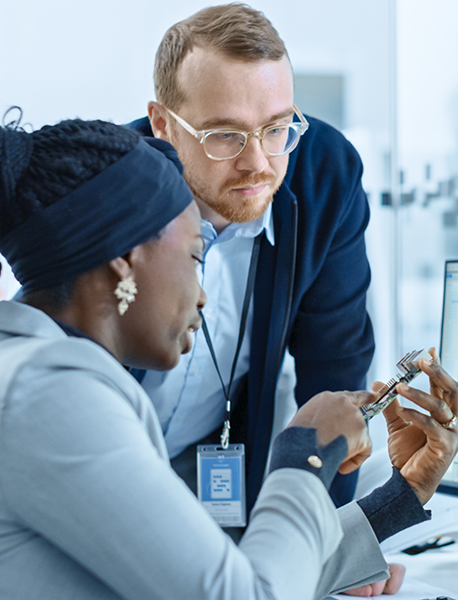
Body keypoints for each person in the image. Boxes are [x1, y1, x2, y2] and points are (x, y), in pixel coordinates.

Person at [0, 106, 458, 600]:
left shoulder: (48, 377)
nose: (203, 295)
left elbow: (226, 579)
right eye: (194, 257)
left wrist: (399, 498)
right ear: (124, 263)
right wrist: (303, 453)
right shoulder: (47, 396)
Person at [128, 3, 374, 514]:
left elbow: (334, 375)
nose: (258, 162)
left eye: (276, 128)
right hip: (98, 459)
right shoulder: (107, 186)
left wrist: (333, 544)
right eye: (225, 135)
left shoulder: (325, 176)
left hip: (211, 469)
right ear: (163, 125)